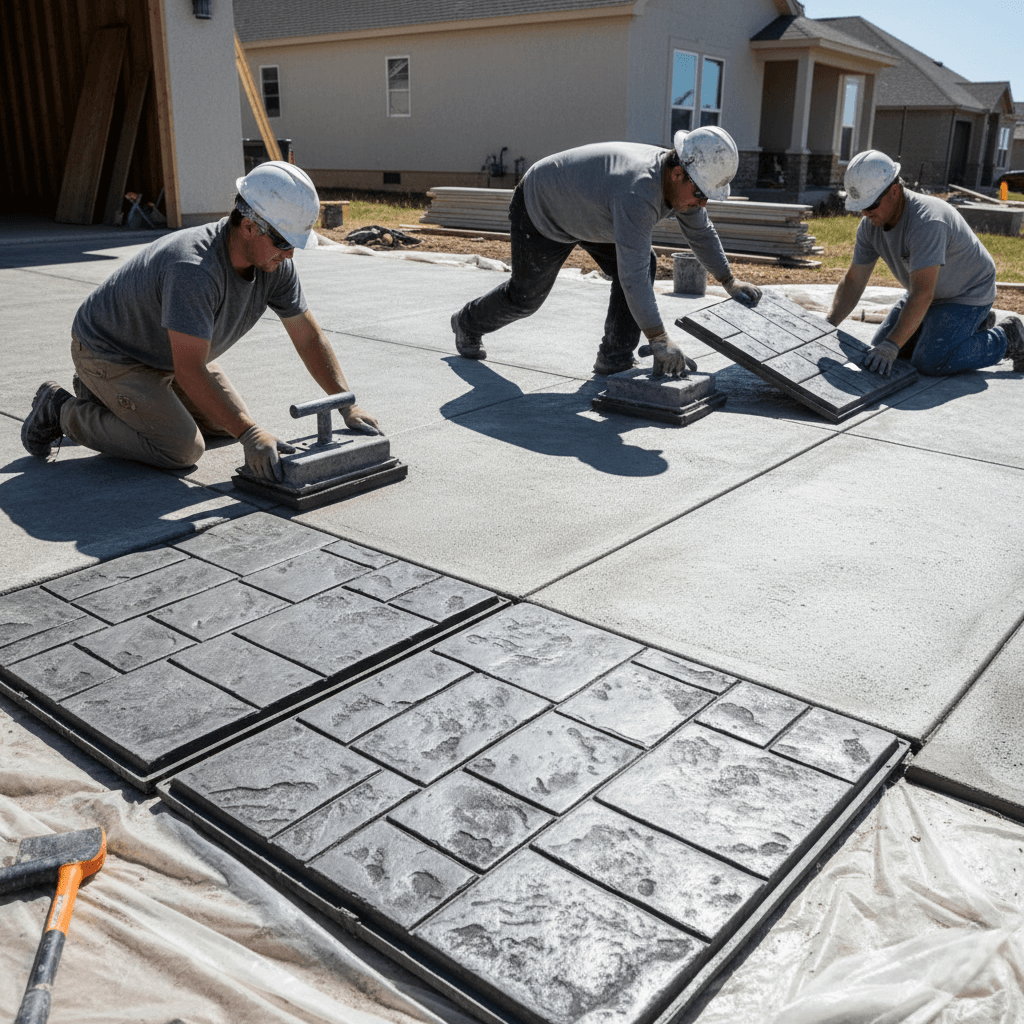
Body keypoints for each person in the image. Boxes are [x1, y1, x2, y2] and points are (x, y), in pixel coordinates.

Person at [22, 162, 380, 481]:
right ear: (250, 226)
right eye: (284, 241)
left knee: (223, 427)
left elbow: (307, 338)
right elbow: (191, 369)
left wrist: (345, 402)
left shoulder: (275, 265)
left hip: (165, 352)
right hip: (109, 352)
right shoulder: (194, 268)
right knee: (181, 449)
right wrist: (251, 434)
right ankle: (62, 409)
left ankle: (111, 401)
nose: (289, 254)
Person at [450, 127, 763, 378]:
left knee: (646, 262)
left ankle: (614, 359)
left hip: (591, 210)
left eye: (708, 197)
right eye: (701, 194)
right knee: (525, 298)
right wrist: (658, 338)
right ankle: (466, 323)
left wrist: (729, 280)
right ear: (678, 173)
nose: (703, 204)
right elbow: (633, 276)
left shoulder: (683, 187)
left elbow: (701, 233)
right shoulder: (638, 192)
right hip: (544, 205)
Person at [827, 149, 1023, 376]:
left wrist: (892, 345)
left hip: (967, 294)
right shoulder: (870, 227)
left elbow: (923, 293)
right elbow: (854, 281)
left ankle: (1009, 337)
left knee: (931, 361)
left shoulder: (927, 221)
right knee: (879, 351)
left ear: (894, 191)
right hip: (927, 292)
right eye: (861, 206)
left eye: (871, 205)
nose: (865, 212)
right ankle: (970, 330)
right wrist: (828, 325)